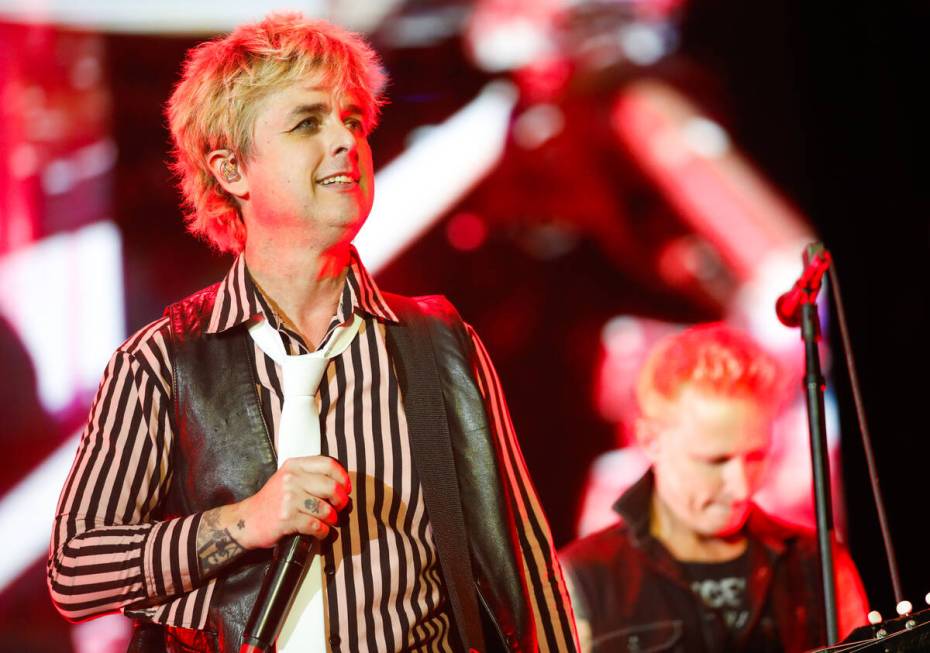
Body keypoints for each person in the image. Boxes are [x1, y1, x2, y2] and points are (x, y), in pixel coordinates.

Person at [47, 14, 577, 653]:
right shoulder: (162, 361)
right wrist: (243, 522)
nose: (344, 142)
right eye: (307, 123)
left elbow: (525, 565)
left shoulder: (439, 344)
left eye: (352, 121)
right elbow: (75, 571)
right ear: (232, 170)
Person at [559, 323, 868, 652]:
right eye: (715, 461)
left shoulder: (818, 563)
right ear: (650, 441)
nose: (741, 488)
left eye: (757, 456)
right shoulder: (580, 579)